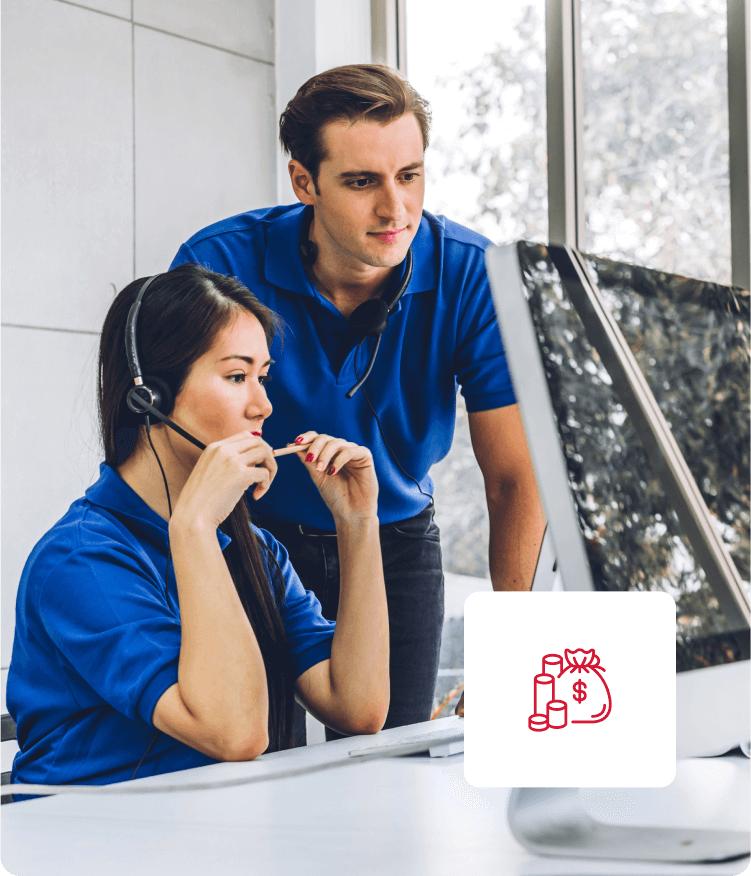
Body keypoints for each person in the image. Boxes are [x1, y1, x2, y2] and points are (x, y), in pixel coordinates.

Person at [170, 63, 545, 740]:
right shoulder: (217, 264)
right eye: (362, 182)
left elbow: (516, 479)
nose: (395, 210)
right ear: (304, 182)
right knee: (252, 758)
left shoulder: (472, 273)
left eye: (409, 175)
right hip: (251, 536)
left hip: (393, 539)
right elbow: (173, 444)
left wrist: (516, 653)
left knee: (393, 761)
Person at [6, 265, 389, 794]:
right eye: (236, 377)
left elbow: (359, 707)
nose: (263, 405)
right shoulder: (81, 560)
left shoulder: (255, 549)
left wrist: (358, 522)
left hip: (211, 823)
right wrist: (194, 527)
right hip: (91, 831)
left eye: (263, 377)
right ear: (152, 396)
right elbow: (235, 734)